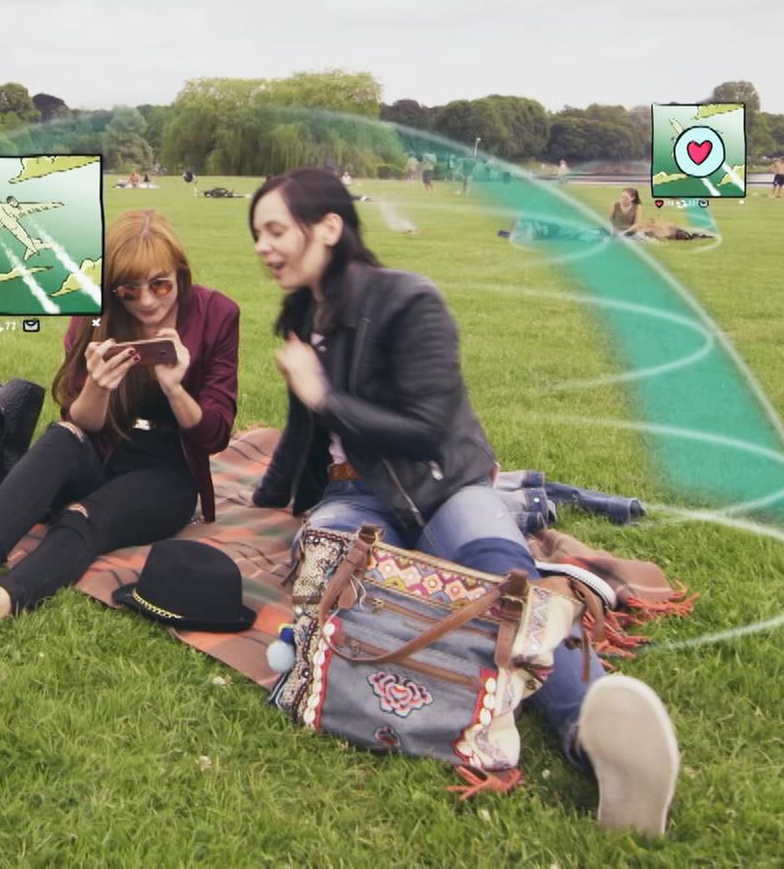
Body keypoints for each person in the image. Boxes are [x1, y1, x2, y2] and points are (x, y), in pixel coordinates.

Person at [246, 167, 679, 836]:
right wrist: (271, 497)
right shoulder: (307, 317)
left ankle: (594, 741)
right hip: (353, 497)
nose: (262, 246)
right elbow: (305, 431)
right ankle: (463, 683)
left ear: (328, 227)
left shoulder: (408, 300)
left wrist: (323, 395)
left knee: (508, 584)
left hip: (440, 483)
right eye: (257, 234)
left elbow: (426, 429)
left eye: (275, 230)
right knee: (334, 581)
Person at [0, 209, 241, 646]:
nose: (146, 301)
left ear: (180, 274)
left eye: (160, 285)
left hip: (166, 475)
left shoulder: (217, 314)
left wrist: (175, 389)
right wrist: (98, 387)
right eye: (128, 289)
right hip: (105, 451)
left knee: (84, 516)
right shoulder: (97, 315)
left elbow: (214, 435)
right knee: (62, 435)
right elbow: (81, 419)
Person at [609, 187, 711, 240]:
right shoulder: (615, 205)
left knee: (663, 232)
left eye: (625, 197)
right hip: (622, 232)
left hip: (631, 232)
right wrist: (615, 231)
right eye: (622, 197)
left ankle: (691, 235)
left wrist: (625, 232)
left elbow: (636, 224)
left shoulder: (637, 207)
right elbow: (610, 220)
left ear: (632, 198)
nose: (622, 199)